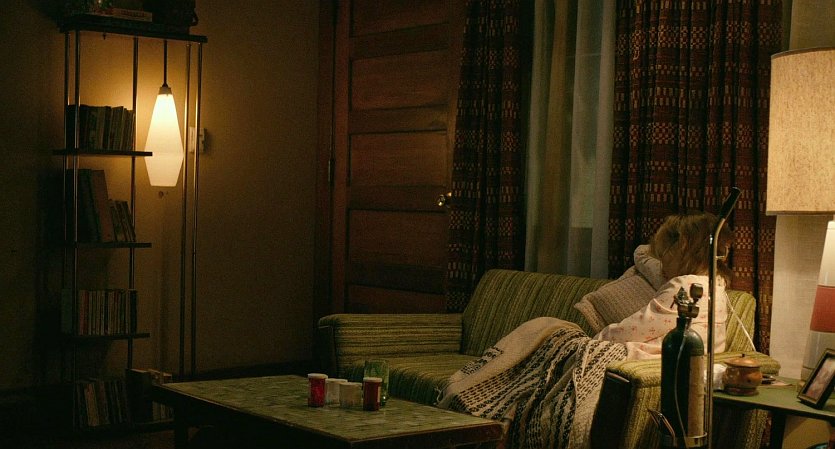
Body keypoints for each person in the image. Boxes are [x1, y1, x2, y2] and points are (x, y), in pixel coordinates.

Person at [594, 212, 733, 360]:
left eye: (662, 255)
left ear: (683, 245)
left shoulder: (685, 287)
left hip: (644, 360)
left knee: (576, 340)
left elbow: (633, 329)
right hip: (688, 362)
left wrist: (596, 341)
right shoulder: (717, 287)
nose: (661, 265)